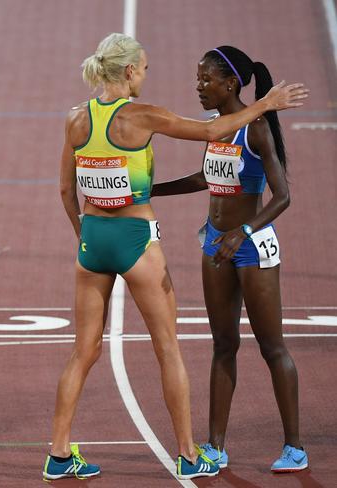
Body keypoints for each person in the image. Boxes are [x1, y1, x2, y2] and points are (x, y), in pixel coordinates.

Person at [44, 33, 307, 481]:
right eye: (144, 68)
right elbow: (208, 132)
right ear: (128, 71)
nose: (147, 75)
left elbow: (68, 190)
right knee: (169, 349)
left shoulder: (75, 118)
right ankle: (189, 454)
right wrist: (265, 103)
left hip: (94, 239)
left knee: (82, 352)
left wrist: (84, 235)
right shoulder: (145, 115)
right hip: (136, 240)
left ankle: (59, 454)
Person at [151, 46, 308, 473]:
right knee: (223, 345)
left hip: (252, 246)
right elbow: (206, 178)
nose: (198, 87)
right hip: (214, 245)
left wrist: (246, 230)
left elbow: (283, 196)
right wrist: (152, 191)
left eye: (206, 80)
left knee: (272, 347)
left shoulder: (255, 129)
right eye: (197, 79)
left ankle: (294, 447)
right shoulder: (214, 128)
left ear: (230, 84)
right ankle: (215, 447)